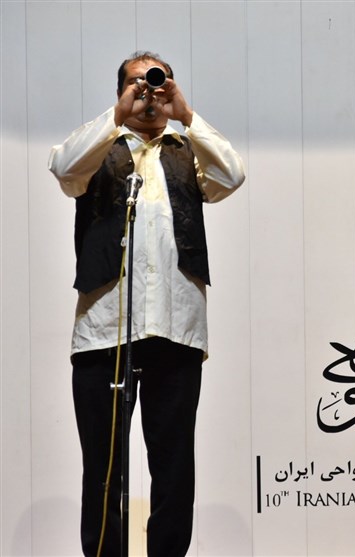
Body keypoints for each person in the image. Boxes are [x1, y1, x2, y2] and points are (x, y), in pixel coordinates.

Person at [49, 51, 245, 556]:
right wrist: (118, 115)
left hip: (176, 331)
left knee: (174, 468)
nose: (149, 91)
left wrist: (186, 114)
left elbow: (231, 176)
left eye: (158, 82)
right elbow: (64, 168)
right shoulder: (100, 146)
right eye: (138, 83)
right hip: (104, 332)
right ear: (120, 91)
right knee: (103, 468)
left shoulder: (187, 150)